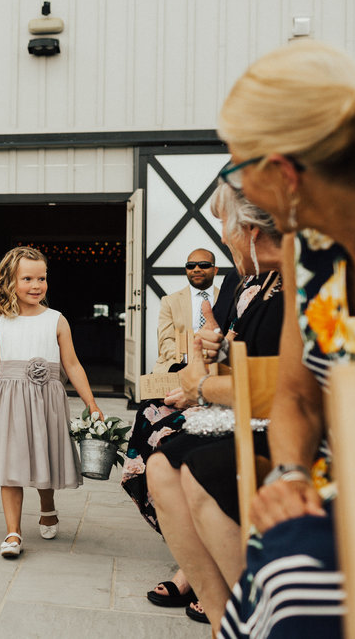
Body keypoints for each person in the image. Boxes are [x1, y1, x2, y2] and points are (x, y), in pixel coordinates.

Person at [215, 39, 355, 637]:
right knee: (279, 574)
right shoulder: (309, 252)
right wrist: (289, 476)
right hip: (340, 501)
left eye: (238, 169)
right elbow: (297, 399)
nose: (242, 192)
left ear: (283, 173)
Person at [138, 183, 284, 627]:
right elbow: (238, 355)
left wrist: (202, 385)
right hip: (248, 401)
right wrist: (211, 353)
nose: (222, 237)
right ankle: (224, 615)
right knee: (159, 453)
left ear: (253, 232)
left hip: (278, 417)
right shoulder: (258, 282)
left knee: (185, 460)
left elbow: (284, 384)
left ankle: (245, 612)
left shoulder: (300, 283)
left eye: (225, 225)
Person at [0, 246, 102, 558]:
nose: (36, 285)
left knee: (43, 455)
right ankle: (13, 533)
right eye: (27, 278)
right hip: (10, 401)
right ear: (9, 282)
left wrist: (91, 403)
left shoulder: (56, 320)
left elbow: (72, 365)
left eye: (41, 278)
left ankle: (47, 505)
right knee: (11, 464)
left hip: (47, 399)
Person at [152, 249, 219, 372]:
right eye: (190, 266)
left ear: (215, 270)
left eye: (204, 265)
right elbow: (166, 341)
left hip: (217, 363)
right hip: (179, 362)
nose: (196, 269)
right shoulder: (170, 301)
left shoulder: (228, 299)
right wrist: (190, 358)